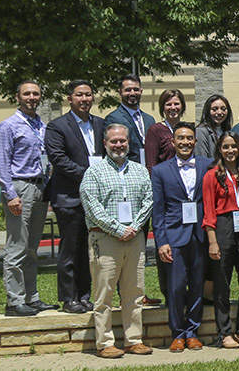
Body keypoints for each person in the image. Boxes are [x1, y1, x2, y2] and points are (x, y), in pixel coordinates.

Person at [81, 124, 155, 358]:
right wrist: (118, 229)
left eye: (122, 141)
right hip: (105, 239)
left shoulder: (140, 171)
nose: (118, 145)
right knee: (104, 294)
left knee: (134, 292)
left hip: (134, 238)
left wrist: (134, 227)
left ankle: (134, 340)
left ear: (128, 143)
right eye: (113, 141)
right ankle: (105, 343)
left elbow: (148, 200)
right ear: (105, 143)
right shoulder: (94, 172)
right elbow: (92, 207)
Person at [0, 80, 56, 317]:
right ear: (18, 97)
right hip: (20, 188)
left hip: (39, 188)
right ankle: (14, 300)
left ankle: (31, 297)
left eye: (36, 94)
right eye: (27, 94)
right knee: (17, 246)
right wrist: (10, 195)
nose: (32, 97)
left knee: (32, 248)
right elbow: (2, 163)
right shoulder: (8, 126)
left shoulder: (41, 125)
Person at [46, 80, 105, 315]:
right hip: (69, 197)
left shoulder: (100, 124)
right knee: (70, 249)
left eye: (88, 95)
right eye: (79, 95)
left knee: (87, 250)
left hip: (93, 199)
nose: (84, 99)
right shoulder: (57, 126)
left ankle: (84, 295)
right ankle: (69, 297)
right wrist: (88, 174)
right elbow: (58, 159)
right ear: (69, 98)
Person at [150, 123, 211, 352]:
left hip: (200, 234)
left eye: (189, 138)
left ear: (195, 141)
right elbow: (158, 209)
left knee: (197, 285)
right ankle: (177, 333)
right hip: (174, 235)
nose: (185, 142)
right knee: (175, 287)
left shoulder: (208, 165)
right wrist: (161, 241)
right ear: (173, 142)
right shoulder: (160, 171)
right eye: (180, 138)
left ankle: (192, 332)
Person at [201, 133, 239, 348]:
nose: (230, 151)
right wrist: (212, 241)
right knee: (222, 283)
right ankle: (224, 332)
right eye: (225, 147)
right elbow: (208, 211)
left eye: (234, 146)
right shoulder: (211, 175)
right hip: (223, 227)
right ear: (219, 150)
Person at [104, 74, 155, 165]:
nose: (132, 93)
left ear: (141, 91)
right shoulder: (113, 118)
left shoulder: (149, 120)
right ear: (120, 92)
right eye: (128, 90)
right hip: (126, 168)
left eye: (136, 89)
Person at [143, 89, 186, 171]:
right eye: (168, 104)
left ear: (182, 106)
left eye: (176, 104)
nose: (173, 107)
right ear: (162, 107)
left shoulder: (187, 129)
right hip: (165, 176)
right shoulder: (155, 130)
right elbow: (151, 164)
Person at [195, 94, 232, 159]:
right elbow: (202, 159)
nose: (219, 112)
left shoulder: (227, 131)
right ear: (208, 111)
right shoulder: (201, 131)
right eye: (214, 109)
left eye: (223, 109)